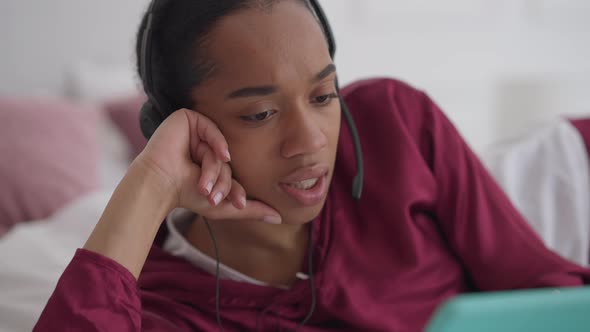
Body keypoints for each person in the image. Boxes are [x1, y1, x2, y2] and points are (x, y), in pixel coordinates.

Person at [34, 0, 590, 331]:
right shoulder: (162, 304)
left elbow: (546, 287)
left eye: (323, 97)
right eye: (260, 112)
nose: (310, 142)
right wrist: (152, 184)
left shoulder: (394, 124)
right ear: (184, 129)